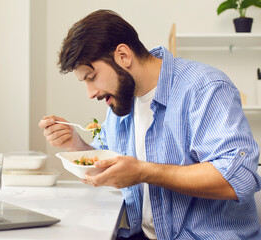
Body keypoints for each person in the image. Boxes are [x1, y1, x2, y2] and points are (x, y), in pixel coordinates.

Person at [38, 9, 261, 240]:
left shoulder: (205, 88)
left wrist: (144, 171)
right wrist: (75, 144)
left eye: (92, 77)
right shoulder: (121, 102)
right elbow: (110, 165)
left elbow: (239, 179)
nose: (90, 92)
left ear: (123, 55)